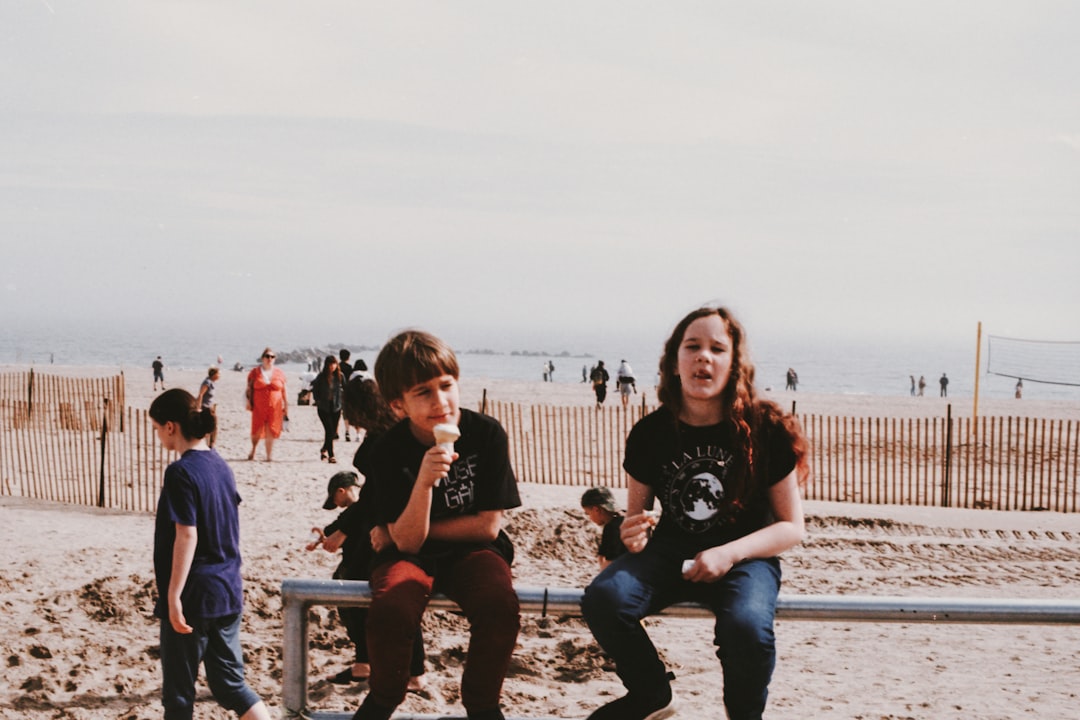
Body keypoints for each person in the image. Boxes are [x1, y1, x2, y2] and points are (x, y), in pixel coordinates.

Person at [581, 306, 810, 720]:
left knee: (746, 630)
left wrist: (728, 553)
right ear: (674, 363)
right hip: (669, 551)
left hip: (747, 558)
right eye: (693, 347)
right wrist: (633, 536)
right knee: (604, 598)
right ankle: (652, 694)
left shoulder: (766, 429)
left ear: (734, 365)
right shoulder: (650, 433)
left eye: (717, 348)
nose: (704, 356)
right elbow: (638, 523)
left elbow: (792, 527)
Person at [351, 329, 521, 720]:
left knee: (499, 605)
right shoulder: (388, 450)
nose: (440, 401)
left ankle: (483, 706)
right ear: (399, 405)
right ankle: (383, 698)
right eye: (422, 392)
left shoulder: (486, 434)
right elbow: (409, 545)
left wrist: (397, 532)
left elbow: (487, 528)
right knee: (391, 608)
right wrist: (424, 484)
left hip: (474, 551)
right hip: (412, 556)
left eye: (446, 385)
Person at [149, 389, 271, 720]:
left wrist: (173, 595)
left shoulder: (180, 472)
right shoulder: (220, 465)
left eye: (158, 428)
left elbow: (187, 534)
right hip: (228, 587)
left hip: (195, 592)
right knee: (231, 686)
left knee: (178, 694)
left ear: (171, 427)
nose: (158, 435)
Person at [307, 470, 425, 691]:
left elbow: (356, 515)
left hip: (384, 563)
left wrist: (338, 532)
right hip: (364, 568)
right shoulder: (359, 507)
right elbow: (339, 525)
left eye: (335, 499)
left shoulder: (373, 497)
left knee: (401, 612)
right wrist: (326, 535)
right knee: (364, 612)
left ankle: (411, 672)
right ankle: (365, 664)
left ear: (341, 491)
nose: (337, 504)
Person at [245, 347, 288, 462]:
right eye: (267, 356)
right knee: (256, 430)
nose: (270, 359)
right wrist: (248, 402)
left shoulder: (279, 373)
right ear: (262, 358)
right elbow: (249, 389)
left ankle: (269, 456)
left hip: (275, 406)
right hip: (259, 406)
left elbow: (284, 391)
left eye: (272, 357)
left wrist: (286, 406)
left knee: (271, 430)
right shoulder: (255, 372)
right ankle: (253, 449)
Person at [580, 487, 628, 569]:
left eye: (588, 514)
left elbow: (611, 562)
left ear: (596, 510)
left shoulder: (612, 527)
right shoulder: (620, 518)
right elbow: (602, 555)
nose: (589, 518)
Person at [312, 355, 345, 463]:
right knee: (329, 429)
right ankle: (331, 455)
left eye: (334, 364)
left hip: (336, 407)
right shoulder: (321, 377)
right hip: (323, 407)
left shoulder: (340, 376)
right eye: (330, 364)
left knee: (332, 432)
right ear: (326, 365)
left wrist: (344, 402)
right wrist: (318, 400)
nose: (332, 366)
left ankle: (324, 449)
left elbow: (345, 389)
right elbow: (315, 390)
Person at [195, 367, 220, 448]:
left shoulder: (212, 382)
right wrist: (198, 408)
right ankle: (210, 444)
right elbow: (200, 395)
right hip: (205, 407)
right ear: (214, 374)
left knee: (213, 426)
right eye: (218, 374)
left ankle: (210, 443)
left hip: (210, 407)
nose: (219, 376)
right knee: (213, 425)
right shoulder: (207, 382)